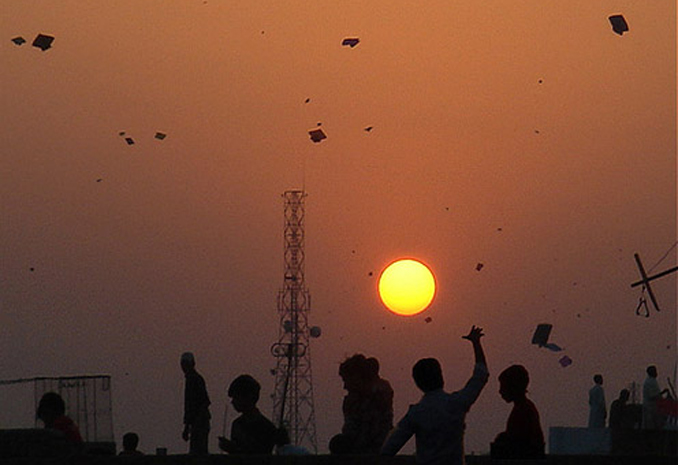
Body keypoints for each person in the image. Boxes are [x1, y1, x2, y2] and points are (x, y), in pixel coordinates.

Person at [381, 326, 488, 465]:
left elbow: (389, 449)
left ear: (417, 383)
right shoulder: (457, 404)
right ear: (441, 376)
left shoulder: (416, 413)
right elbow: (481, 376)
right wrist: (476, 343)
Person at [330, 354, 394, 454]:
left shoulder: (379, 397)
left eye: (347, 380)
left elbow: (368, 434)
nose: (345, 386)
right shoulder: (354, 401)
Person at [491, 364, 545, 459]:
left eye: (503, 386)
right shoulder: (524, 407)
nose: (500, 391)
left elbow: (518, 443)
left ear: (513, 387)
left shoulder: (523, 410)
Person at [218, 374, 277, 454]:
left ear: (248, 397)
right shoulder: (237, 424)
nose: (233, 402)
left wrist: (233, 449)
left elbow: (260, 455)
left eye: (236, 397)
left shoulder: (266, 427)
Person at [181, 352, 211, 454]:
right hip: (195, 422)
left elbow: (204, 402)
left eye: (186, 364)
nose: (184, 367)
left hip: (200, 421)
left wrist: (196, 421)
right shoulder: (191, 379)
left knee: (199, 452)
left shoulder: (196, 379)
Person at [642, 365, 670, 430]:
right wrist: (663, 392)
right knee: (651, 428)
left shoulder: (652, 381)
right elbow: (653, 396)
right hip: (650, 408)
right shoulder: (650, 382)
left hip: (653, 408)